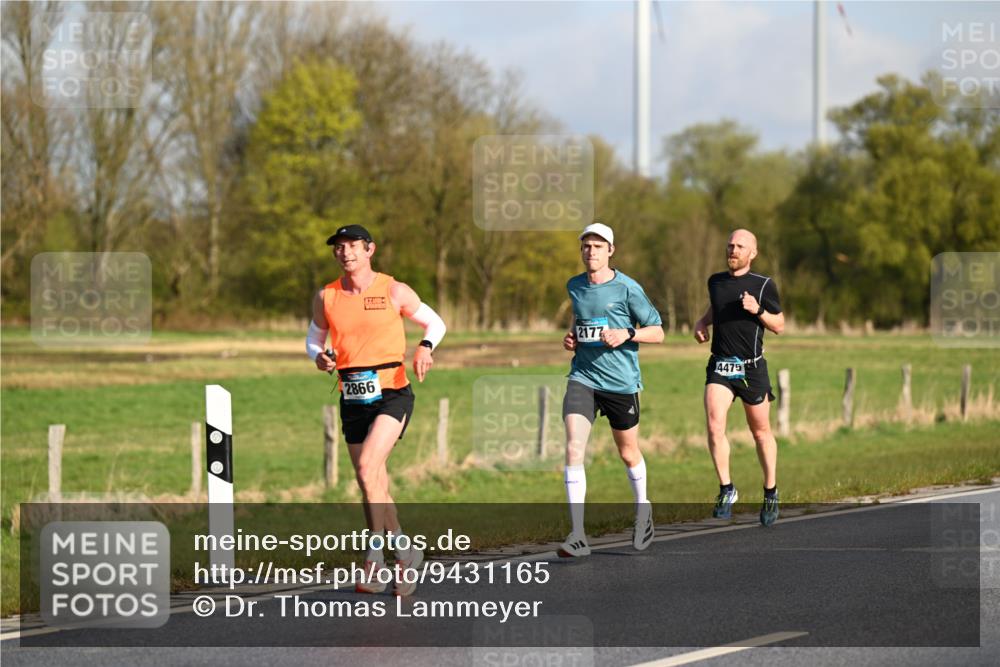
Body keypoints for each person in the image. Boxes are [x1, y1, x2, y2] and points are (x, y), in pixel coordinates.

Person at [306, 224, 446, 595]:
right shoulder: (327, 296)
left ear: (370, 250)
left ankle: (376, 558)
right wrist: (319, 357)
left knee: (369, 468)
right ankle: (405, 551)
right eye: (339, 247)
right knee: (372, 480)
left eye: (353, 245)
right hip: (352, 397)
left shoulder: (393, 289)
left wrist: (426, 346)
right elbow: (313, 339)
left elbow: (436, 321)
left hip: (392, 394)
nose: (345, 252)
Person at [558, 221, 665, 557]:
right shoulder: (574, 286)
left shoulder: (627, 288)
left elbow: (658, 331)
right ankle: (577, 535)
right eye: (587, 246)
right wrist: (571, 338)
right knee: (574, 447)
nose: (591, 251)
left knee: (627, 452)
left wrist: (628, 335)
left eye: (598, 246)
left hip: (620, 382)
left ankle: (643, 510)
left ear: (611, 251)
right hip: (583, 378)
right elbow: (580, 320)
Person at [693, 228, 785, 526]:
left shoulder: (764, 285)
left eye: (739, 246)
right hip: (720, 365)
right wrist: (702, 322)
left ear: (752, 253)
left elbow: (779, 325)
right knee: (714, 425)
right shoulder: (715, 282)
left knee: (760, 432)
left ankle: (770, 491)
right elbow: (716, 308)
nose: (732, 250)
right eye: (730, 245)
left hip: (751, 367)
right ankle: (726, 489)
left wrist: (757, 310)